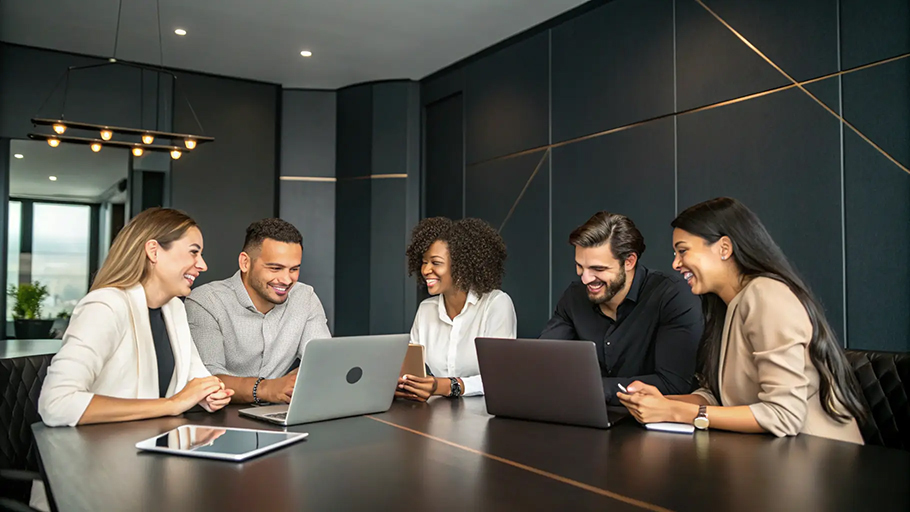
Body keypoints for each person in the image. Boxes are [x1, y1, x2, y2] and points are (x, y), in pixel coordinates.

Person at [617, 197, 866, 444]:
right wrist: (663, 402)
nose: (676, 263)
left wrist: (678, 413)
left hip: (821, 462)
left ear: (724, 248)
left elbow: (784, 416)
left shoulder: (766, 295)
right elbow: (720, 397)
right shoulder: (726, 305)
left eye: (683, 251)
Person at [38, 207, 232, 428]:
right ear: (153, 251)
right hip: (101, 453)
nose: (202, 265)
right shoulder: (105, 306)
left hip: (153, 445)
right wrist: (171, 404)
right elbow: (56, 403)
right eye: (193, 252)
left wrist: (209, 394)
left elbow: (196, 379)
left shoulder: (174, 309)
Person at [540, 212, 703, 405]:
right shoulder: (574, 296)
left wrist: (590, 389)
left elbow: (673, 384)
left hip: (655, 426)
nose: (585, 279)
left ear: (629, 262)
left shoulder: (671, 296)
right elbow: (543, 361)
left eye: (598, 269)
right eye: (579, 267)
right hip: (587, 418)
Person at [186, 218, 330, 405]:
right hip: (220, 419)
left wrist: (307, 374)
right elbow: (208, 378)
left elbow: (324, 360)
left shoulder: (305, 297)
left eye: (294, 269)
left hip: (280, 414)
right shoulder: (206, 301)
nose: (286, 280)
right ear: (245, 262)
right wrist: (268, 388)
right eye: (275, 268)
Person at [397, 217, 516, 401]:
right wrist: (407, 385)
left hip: (484, 418)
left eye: (435, 263)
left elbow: (500, 378)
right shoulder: (426, 310)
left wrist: (445, 386)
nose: (426, 270)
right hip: (434, 418)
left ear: (461, 266)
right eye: (424, 262)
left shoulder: (496, 304)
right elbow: (412, 370)